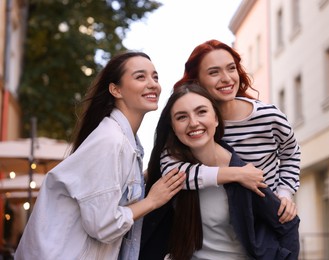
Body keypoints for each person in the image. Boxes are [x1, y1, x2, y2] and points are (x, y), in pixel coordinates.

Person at [14, 51, 185, 260]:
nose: (153, 84)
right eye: (141, 77)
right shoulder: (110, 140)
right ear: (116, 89)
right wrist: (152, 200)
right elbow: (103, 225)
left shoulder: (124, 143)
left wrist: (150, 175)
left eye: (155, 77)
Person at [140, 83, 300, 260]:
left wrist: (284, 193)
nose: (193, 123)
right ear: (173, 127)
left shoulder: (246, 175)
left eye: (201, 112)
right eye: (181, 117)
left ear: (216, 119)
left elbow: (287, 224)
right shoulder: (171, 168)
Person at [161, 39, 301, 223]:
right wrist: (237, 174)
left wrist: (284, 193)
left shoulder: (269, 116)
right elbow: (172, 173)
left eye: (231, 68)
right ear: (197, 81)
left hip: (268, 220)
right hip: (217, 229)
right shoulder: (195, 127)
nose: (227, 78)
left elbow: (291, 153)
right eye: (214, 72)